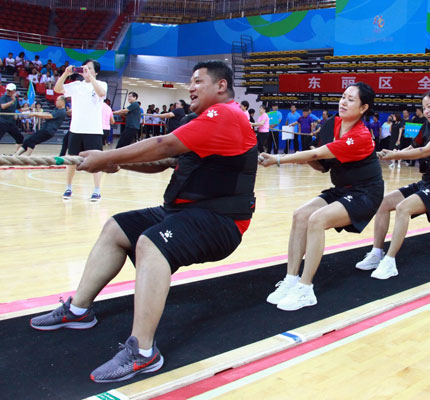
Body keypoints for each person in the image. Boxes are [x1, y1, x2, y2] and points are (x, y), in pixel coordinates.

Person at [30, 60, 258, 383]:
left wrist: (107, 156)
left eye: (198, 81)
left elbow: (162, 145)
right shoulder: (201, 121)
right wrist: (116, 164)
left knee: (151, 243)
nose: (190, 87)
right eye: (190, 81)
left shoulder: (227, 115)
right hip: (183, 213)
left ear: (221, 86)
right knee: (117, 228)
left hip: (221, 221)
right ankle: (78, 310)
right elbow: (164, 161)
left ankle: (143, 352)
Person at [259, 82, 383, 311]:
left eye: (351, 99)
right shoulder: (332, 124)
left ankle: (306, 289)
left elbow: (318, 153)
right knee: (300, 215)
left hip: (366, 193)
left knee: (317, 219)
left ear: (364, 108)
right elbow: (322, 165)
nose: (343, 102)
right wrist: (306, 159)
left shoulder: (361, 135)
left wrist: (279, 159)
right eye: (343, 96)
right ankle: (291, 280)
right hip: (342, 189)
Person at [356, 89, 430, 279]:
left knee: (403, 208)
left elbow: (425, 151)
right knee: (384, 203)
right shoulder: (428, 125)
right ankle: (377, 253)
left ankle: (390, 261)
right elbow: (413, 147)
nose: (426, 111)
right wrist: (392, 152)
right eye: (424, 108)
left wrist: (395, 155)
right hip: (428, 182)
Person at [54, 59, 107, 202]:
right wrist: (65, 74)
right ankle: (68, 187)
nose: (86, 70)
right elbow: (57, 89)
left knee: (97, 161)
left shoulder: (101, 84)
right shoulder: (76, 85)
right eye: (84, 68)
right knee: (72, 160)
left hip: (94, 130)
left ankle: (97, 190)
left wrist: (91, 78)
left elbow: (101, 93)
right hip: (76, 129)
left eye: (90, 68)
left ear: (96, 72)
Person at [0, 83, 26, 152]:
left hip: (11, 123)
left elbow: (19, 109)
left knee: (20, 137)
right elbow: (3, 106)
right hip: (2, 122)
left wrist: (29, 108)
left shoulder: (16, 99)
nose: (8, 92)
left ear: (14, 91)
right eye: (7, 90)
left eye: (10, 90)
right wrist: (12, 101)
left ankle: (16, 153)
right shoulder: (3, 98)